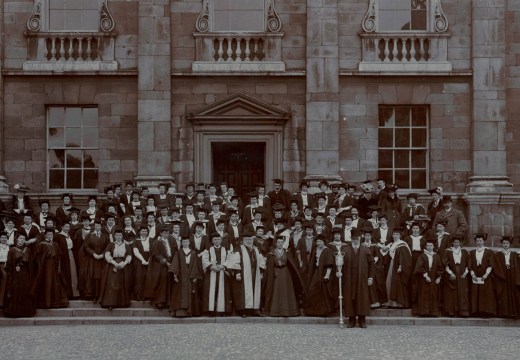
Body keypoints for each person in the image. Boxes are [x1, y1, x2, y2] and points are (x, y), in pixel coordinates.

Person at [340, 228, 374, 328]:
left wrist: (370, 278)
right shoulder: (345, 250)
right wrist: (339, 271)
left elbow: (371, 264)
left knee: (362, 298)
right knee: (349, 298)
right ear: (351, 240)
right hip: (349, 279)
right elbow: (339, 264)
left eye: (357, 239)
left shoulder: (366, 250)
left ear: (360, 239)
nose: (355, 240)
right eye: (353, 239)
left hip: (362, 279)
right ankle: (351, 321)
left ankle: (362, 321)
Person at [264, 236, 304, 317]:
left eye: (282, 242)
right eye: (279, 242)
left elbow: (291, 264)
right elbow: (269, 265)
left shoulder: (287, 252)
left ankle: (288, 311)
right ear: (276, 243)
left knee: (286, 291)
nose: (280, 244)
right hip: (276, 273)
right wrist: (273, 271)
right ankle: (275, 311)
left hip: (286, 274)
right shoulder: (271, 253)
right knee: (276, 291)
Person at [229, 232, 265, 317]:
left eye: (251, 239)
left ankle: (255, 310)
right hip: (243, 274)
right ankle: (243, 311)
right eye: (247, 240)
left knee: (255, 290)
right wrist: (237, 273)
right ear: (243, 240)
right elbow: (235, 262)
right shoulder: (239, 249)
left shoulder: (256, 249)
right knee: (243, 292)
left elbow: (262, 261)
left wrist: (261, 272)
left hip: (255, 273)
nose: (249, 241)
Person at [31, 227, 69, 309]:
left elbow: (59, 256)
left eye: (51, 234)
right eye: (48, 234)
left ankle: (54, 302)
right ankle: (45, 303)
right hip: (45, 268)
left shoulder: (55, 244)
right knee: (47, 283)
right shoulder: (41, 244)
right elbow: (37, 257)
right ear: (45, 235)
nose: (50, 236)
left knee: (54, 283)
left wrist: (58, 267)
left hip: (54, 267)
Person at [3, 233, 36, 317]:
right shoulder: (12, 250)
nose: (22, 240)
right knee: (16, 291)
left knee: (25, 290)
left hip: (25, 273)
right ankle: (15, 312)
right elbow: (8, 263)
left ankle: (25, 312)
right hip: (15, 274)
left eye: (23, 238)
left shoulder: (27, 250)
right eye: (20, 238)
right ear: (16, 239)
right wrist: (15, 265)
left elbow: (31, 263)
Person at [98, 228, 132, 309]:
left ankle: (122, 303)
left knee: (122, 283)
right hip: (112, 265)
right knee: (112, 284)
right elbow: (107, 255)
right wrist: (114, 263)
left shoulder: (126, 245)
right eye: (117, 235)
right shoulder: (111, 244)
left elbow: (129, 255)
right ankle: (110, 303)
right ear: (114, 236)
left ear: (122, 236)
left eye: (120, 235)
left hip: (123, 265)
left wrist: (124, 263)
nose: (118, 237)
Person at [169, 237, 203, 317]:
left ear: (189, 243)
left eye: (186, 242)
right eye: (183, 242)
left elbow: (196, 265)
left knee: (191, 292)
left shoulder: (194, 253)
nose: (185, 243)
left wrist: (195, 276)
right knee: (179, 293)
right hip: (181, 275)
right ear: (181, 243)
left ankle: (190, 312)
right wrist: (175, 275)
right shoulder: (178, 252)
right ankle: (180, 312)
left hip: (191, 274)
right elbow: (175, 264)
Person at [145, 225, 176, 309]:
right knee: (160, 282)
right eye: (165, 233)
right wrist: (165, 262)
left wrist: (172, 262)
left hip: (169, 264)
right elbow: (155, 254)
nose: (166, 234)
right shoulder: (157, 242)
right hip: (160, 266)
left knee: (168, 282)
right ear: (161, 233)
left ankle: (167, 301)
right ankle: (158, 301)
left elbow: (174, 252)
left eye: (167, 233)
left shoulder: (171, 241)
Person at [303, 234, 334, 316]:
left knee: (323, 292)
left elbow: (329, 265)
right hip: (316, 272)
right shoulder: (315, 250)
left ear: (324, 242)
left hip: (323, 273)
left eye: (320, 241)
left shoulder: (328, 251)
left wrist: (327, 275)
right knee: (312, 290)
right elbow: (312, 263)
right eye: (317, 241)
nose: (319, 243)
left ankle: (323, 311)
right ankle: (314, 311)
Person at [201, 232, 232, 316]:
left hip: (223, 272)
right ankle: (211, 311)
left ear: (221, 240)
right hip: (211, 272)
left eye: (218, 239)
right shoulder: (207, 250)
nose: (217, 241)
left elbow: (229, 259)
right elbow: (204, 260)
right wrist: (211, 266)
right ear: (212, 240)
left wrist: (223, 266)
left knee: (223, 291)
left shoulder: (226, 249)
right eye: (215, 239)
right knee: (210, 291)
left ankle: (222, 311)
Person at [412, 238, 443, 316]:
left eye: (431, 245)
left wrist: (438, 278)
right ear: (425, 246)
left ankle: (433, 313)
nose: (429, 247)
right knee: (423, 294)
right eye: (428, 245)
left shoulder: (437, 256)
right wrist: (425, 275)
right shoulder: (422, 256)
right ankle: (423, 312)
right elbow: (419, 267)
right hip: (423, 278)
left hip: (433, 278)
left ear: (433, 247)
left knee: (433, 294)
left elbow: (440, 268)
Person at [468, 233, 496, 317]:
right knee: (475, 292)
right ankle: (476, 312)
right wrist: (472, 274)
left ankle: (486, 312)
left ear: (483, 241)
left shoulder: (488, 251)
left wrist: (486, 274)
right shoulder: (473, 252)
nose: (479, 242)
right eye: (477, 241)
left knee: (485, 293)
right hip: (476, 274)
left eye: (480, 241)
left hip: (485, 274)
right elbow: (470, 265)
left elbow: (491, 264)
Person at [442, 236, 470, 317]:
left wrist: (465, 272)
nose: (456, 244)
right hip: (452, 272)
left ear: (460, 243)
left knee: (462, 292)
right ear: (452, 243)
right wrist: (450, 273)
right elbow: (445, 263)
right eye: (455, 242)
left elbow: (468, 263)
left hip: (462, 272)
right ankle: (452, 312)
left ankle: (463, 312)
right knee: (452, 292)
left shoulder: (464, 251)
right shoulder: (448, 251)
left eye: (458, 242)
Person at [385, 227, 412, 308]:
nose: (395, 236)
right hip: (392, 265)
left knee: (397, 284)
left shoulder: (402, 244)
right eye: (394, 234)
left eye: (397, 234)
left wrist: (400, 266)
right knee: (389, 282)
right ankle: (390, 303)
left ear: (400, 235)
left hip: (398, 266)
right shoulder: (392, 244)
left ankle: (398, 303)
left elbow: (404, 257)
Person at [83, 219, 109, 302]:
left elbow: (108, 246)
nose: (97, 227)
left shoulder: (105, 236)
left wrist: (103, 254)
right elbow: (86, 246)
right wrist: (93, 254)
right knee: (93, 277)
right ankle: (94, 295)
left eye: (99, 226)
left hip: (102, 259)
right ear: (94, 227)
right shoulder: (89, 235)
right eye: (96, 226)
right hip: (93, 259)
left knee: (101, 277)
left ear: (101, 227)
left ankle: (101, 296)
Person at [494, 236, 520, 318]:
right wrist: (501, 274)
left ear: (510, 244)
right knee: (503, 293)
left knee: (513, 292)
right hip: (503, 275)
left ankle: (513, 313)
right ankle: (504, 312)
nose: (505, 245)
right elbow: (496, 265)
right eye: (504, 243)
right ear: (502, 244)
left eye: (507, 243)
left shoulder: (514, 254)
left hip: (512, 274)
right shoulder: (498, 254)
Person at [55, 223, 79, 299]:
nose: (67, 228)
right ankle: (67, 294)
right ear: (62, 227)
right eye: (65, 226)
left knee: (72, 272)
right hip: (63, 257)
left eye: (68, 226)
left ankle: (74, 294)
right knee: (65, 273)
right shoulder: (58, 236)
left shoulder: (70, 235)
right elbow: (57, 247)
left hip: (71, 255)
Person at [133, 226, 153, 301]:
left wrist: (149, 260)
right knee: (139, 278)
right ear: (139, 232)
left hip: (149, 259)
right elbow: (136, 251)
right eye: (142, 231)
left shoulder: (151, 240)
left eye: (145, 231)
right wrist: (143, 260)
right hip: (139, 259)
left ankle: (147, 295)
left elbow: (153, 250)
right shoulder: (136, 240)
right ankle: (139, 295)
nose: (144, 232)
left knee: (148, 277)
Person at [0, 231, 9, 308]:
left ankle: (2, 303)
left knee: (5, 283)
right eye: (2, 237)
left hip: (6, 266)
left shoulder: (9, 247)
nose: (4, 239)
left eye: (5, 238)